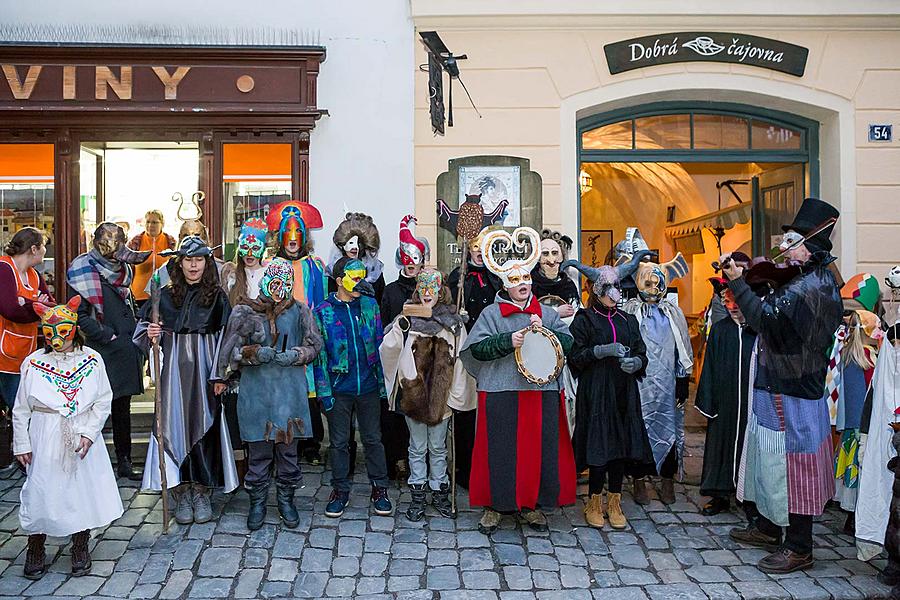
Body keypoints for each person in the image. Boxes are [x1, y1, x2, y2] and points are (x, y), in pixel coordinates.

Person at [724, 196, 843, 574]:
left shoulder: (812, 287)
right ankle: (769, 526)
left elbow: (766, 320)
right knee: (770, 462)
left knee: (797, 469)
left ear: (811, 250)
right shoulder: (804, 279)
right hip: (776, 386)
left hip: (794, 393)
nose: (785, 252)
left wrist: (739, 284)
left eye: (794, 244)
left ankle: (799, 547)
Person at [459, 227, 575, 534]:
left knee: (537, 450)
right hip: (501, 391)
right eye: (515, 280)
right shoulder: (491, 314)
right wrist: (506, 341)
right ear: (505, 284)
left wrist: (547, 333)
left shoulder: (547, 314)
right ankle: (495, 507)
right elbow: (474, 350)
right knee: (498, 450)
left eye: (525, 278)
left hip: (539, 392)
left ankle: (531, 505)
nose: (522, 284)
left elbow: (571, 345)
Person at [13, 297, 123, 579]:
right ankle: (36, 544)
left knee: (79, 490)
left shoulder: (91, 360)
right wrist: (22, 442)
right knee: (41, 489)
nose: (56, 338)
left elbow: (102, 400)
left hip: (80, 433)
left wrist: (88, 433)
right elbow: (21, 407)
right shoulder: (34, 362)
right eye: (49, 332)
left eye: (62, 331)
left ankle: (80, 544)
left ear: (73, 329)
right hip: (43, 432)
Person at [135, 236, 238, 524]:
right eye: (189, 260)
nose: (194, 265)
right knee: (173, 427)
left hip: (205, 374)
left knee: (204, 427)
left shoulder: (217, 298)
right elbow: (143, 332)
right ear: (179, 263)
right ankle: (179, 490)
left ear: (207, 263)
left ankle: (202, 491)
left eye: (199, 259)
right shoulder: (164, 297)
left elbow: (227, 340)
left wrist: (221, 375)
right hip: (173, 379)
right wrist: (152, 335)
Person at [214, 258, 322, 530]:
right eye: (274, 283)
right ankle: (258, 502)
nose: (278, 290)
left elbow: (315, 345)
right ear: (265, 282)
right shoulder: (245, 312)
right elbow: (229, 354)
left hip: (289, 396)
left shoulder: (300, 312)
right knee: (259, 453)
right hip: (257, 395)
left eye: (284, 285)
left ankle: (286, 500)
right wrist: (251, 354)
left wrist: (297, 355)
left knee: (288, 453)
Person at [380, 268, 474, 520]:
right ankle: (418, 494)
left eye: (433, 289)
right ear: (417, 290)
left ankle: (439, 491)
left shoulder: (451, 323)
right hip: (414, 396)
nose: (427, 294)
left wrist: (456, 395)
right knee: (417, 447)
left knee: (438, 447)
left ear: (441, 291)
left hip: (441, 399)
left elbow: (461, 360)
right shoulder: (408, 318)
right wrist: (398, 329)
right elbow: (389, 349)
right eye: (423, 289)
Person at [565, 262, 653, 530]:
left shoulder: (629, 320)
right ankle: (593, 501)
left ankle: (614, 501)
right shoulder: (584, 319)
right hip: (597, 392)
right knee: (598, 446)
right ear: (596, 290)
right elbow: (575, 358)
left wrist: (637, 363)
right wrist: (599, 351)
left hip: (623, 392)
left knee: (620, 446)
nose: (613, 293)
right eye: (608, 288)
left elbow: (641, 352)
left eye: (617, 287)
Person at [66, 222, 149, 481]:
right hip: (99, 350)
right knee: (93, 408)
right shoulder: (81, 270)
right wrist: (105, 334)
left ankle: (124, 461)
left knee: (122, 407)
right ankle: (90, 463)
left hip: (124, 348)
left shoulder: (123, 269)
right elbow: (77, 315)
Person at [312, 257, 393, 518]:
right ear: (339, 281)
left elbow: (380, 344)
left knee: (373, 438)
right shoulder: (323, 311)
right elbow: (320, 356)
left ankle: (379, 487)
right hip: (339, 388)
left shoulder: (369, 305)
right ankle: (340, 490)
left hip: (368, 386)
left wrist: (383, 385)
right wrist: (324, 393)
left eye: (361, 276)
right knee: (338, 443)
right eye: (353, 276)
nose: (359, 281)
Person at [619, 229, 692, 506]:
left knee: (668, 428)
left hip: (667, 385)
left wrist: (683, 379)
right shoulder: (630, 312)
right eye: (646, 283)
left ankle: (667, 479)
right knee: (638, 429)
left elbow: (683, 348)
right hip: (639, 384)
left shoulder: (673, 313)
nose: (653, 289)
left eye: (657, 284)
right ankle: (638, 479)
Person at [267, 201, 329, 466]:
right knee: (284, 390)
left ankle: (311, 444)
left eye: (298, 233)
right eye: (288, 234)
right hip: (281, 335)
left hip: (307, 334)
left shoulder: (315, 265)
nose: (293, 239)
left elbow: (324, 300)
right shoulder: (271, 264)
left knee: (309, 393)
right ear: (280, 237)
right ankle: (283, 439)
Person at [695, 276, 760, 517]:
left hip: (753, 403)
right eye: (727, 302)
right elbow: (710, 366)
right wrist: (708, 399)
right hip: (725, 402)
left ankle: (751, 498)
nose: (732, 307)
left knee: (750, 447)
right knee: (721, 445)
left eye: (737, 302)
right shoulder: (721, 331)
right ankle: (720, 494)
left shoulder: (758, 331)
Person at [447, 226, 503, 490]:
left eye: (484, 248)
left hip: (494, 351)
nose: (479, 253)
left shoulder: (499, 277)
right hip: (467, 351)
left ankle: (492, 467)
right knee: (466, 409)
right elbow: (447, 306)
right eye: (475, 247)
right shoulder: (459, 276)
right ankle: (465, 468)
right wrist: (457, 316)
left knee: (492, 411)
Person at [827, 273, 882, 534]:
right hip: (845, 420)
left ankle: (855, 515)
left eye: (852, 314)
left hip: (858, 424)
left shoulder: (870, 355)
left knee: (857, 466)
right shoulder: (842, 345)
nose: (845, 319)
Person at [379, 215, 430, 481]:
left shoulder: (430, 288)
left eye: (416, 262)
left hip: (425, 360)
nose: (412, 267)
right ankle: (398, 460)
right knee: (397, 413)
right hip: (399, 359)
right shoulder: (390, 290)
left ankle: (422, 462)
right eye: (408, 261)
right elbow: (385, 325)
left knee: (422, 412)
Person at [0, 228, 53, 411]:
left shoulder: (34, 275)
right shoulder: (4, 268)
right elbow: (10, 310)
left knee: (22, 410)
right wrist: (36, 305)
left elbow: (51, 307)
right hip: (3, 356)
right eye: (43, 246)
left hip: (25, 353)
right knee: (18, 409)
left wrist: (27, 303)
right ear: (33, 249)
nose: (46, 250)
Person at [327, 212, 385, 303]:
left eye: (359, 243)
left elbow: (379, 302)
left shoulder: (374, 271)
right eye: (351, 243)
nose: (354, 247)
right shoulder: (336, 269)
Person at [127, 209, 176, 306]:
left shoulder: (170, 241)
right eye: (148, 222)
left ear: (162, 223)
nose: (150, 225)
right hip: (139, 295)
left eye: (154, 222)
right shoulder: (136, 241)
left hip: (165, 295)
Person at [531, 229, 578, 315]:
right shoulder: (529, 284)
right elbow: (525, 312)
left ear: (561, 257)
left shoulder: (568, 285)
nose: (551, 261)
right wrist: (556, 312)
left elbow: (576, 312)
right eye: (545, 253)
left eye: (555, 253)